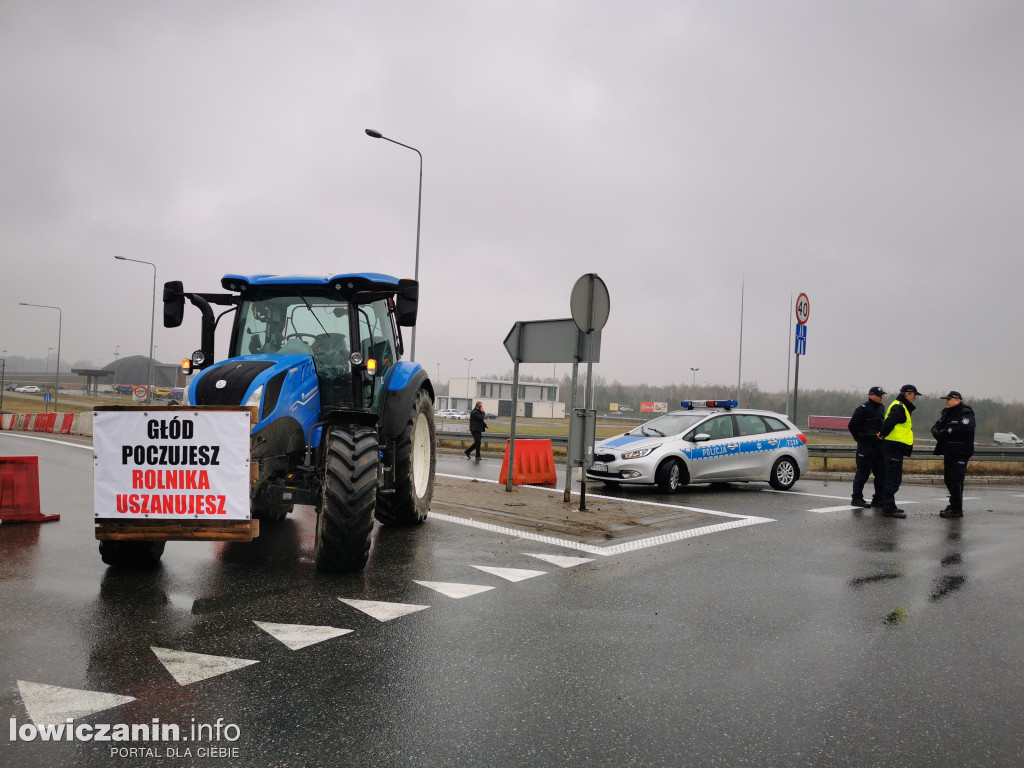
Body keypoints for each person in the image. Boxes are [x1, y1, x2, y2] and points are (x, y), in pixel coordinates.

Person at [878, 384, 921, 518]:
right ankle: (888, 508)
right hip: (894, 447)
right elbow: (890, 421)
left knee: (893, 478)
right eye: (914, 395)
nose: (915, 398)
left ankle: (889, 505)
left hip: (895, 447)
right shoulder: (899, 406)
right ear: (907, 394)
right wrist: (883, 434)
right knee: (893, 479)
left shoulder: (901, 406)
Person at [931, 390, 975, 518]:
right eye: (946, 399)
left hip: (961, 452)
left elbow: (966, 428)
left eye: (949, 399)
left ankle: (956, 509)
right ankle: (954, 504)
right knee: (948, 479)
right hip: (949, 452)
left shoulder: (966, 413)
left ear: (958, 400)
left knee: (956, 480)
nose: (946, 401)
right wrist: (935, 432)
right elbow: (936, 426)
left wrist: (947, 431)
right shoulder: (946, 413)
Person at [848, 386, 887, 508]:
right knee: (863, 473)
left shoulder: (881, 408)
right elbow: (852, 426)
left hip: (879, 447)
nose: (881, 397)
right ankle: (857, 498)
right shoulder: (862, 409)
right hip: (866, 447)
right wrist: (863, 438)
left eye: (882, 395)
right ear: (871, 396)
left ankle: (878, 499)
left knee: (881, 474)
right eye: (879, 395)